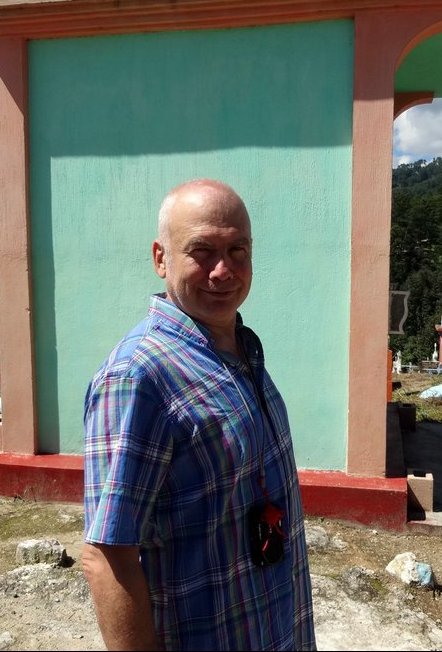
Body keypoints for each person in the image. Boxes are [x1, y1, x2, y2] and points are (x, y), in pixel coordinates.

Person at [82, 179, 316, 651]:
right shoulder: (138, 377)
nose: (223, 270)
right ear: (160, 258)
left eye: (238, 250)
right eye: (202, 250)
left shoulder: (240, 349)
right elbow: (108, 556)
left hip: (274, 627)